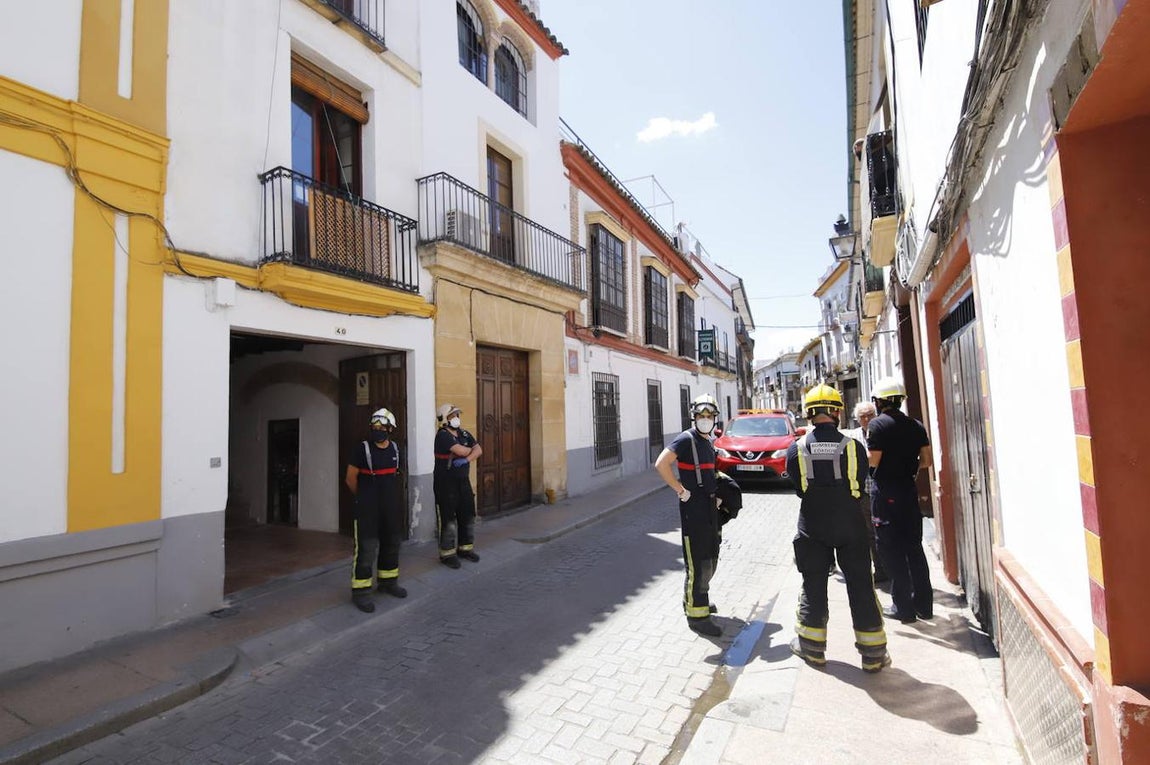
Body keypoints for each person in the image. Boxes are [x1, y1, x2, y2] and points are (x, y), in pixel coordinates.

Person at [785, 384, 890, 672]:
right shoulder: (854, 446)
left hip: (812, 524)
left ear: (809, 414)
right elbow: (858, 486)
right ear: (836, 412)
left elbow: (798, 486)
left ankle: (812, 647)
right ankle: (873, 653)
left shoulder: (796, 449)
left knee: (813, 584)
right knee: (861, 585)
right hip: (850, 524)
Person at [654, 393, 724, 638]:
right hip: (693, 509)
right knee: (698, 561)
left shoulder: (708, 440)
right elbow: (661, 464)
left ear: (715, 418)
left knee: (711, 557)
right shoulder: (686, 439)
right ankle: (698, 617)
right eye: (700, 416)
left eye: (709, 416)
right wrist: (680, 490)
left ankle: (697, 599)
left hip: (708, 507)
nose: (705, 420)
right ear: (693, 417)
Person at [867, 377, 934, 623]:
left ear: (880, 401)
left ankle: (903, 608)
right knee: (914, 548)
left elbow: (873, 460)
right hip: (908, 490)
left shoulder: (877, 426)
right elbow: (926, 461)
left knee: (891, 550)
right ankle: (924, 606)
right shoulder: (916, 426)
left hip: (886, 493)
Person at [344, 408, 408, 613]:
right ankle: (361, 592)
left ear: (390, 429)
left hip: (390, 507)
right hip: (367, 510)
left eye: (382, 427)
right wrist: (364, 497)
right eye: (374, 427)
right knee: (366, 549)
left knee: (392, 544)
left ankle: (388, 582)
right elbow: (350, 479)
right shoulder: (361, 449)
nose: (377, 430)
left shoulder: (396, 449)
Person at [841, 400, 888, 583]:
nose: (867, 419)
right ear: (857, 419)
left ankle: (885, 568)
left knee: (882, 532)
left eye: (870, 415)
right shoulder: (851, 438)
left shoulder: (882, 433)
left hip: (882, 490)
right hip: (861, 493)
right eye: (863, 416)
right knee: (866, 534)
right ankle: (873, 570)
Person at [433, 403, 483, 569]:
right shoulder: (442, 436)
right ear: (444, 419)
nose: (456, 418)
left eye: (457, 415)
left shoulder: (463, 433)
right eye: (452, 415)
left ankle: (465, 549)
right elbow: (463, 450)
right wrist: (468, 451)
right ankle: (447, 554)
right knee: (449, 520)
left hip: (463, 482)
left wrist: (467, 458)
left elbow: (478, 450)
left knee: (467, 514)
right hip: (446, 484)